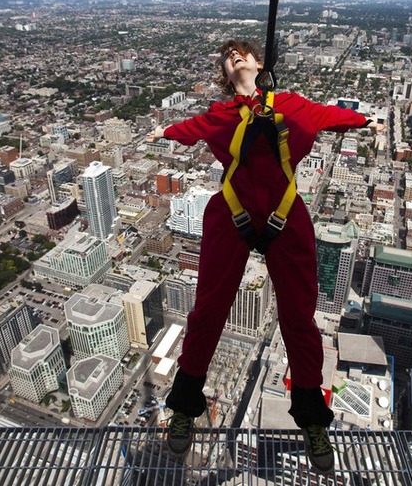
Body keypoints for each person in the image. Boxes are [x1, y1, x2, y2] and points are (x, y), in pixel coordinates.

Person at [149, 39, 384, 474]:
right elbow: (186, 129)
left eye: (243, 53)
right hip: (234, 213)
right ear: (225, 72)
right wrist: (160, 131)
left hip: (284, 212)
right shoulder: (220, 116)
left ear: (259, 63)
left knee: (299, 316)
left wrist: (366, 119)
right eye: (228, 56)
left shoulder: (290, 107)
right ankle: (184, 404)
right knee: (209, 310)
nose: (236, 57)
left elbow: (330, 117)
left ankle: (313, 419)